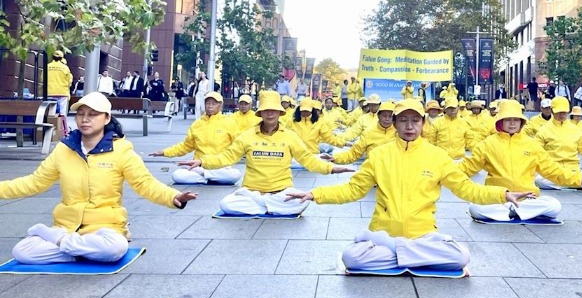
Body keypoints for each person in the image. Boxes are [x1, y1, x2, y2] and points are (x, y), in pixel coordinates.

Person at [284, 98, 534, 272]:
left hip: (422, 235)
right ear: (394, 123)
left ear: (424, 124)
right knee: (351, 258)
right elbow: (352, 189)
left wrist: (503, 194)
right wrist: (314, 194)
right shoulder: (380, 155)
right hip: (384, 233)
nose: (409, 126)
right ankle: (409, 255)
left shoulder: (437, 156)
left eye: (415, 120)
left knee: (461, 256)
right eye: (403, 120)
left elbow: (467, 189)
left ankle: (397, 253)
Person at [0, 92, 196, 264]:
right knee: (22, 252)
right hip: (67, 226)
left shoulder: (121, 151)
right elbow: (34, 182)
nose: (85, 119)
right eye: (80, 114)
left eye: (93, 115)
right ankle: (80, 250)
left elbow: (145, 184)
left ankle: (61, 243)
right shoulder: (64, 150)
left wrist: (173, 197)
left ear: (106, 118)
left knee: (115, 248)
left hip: (105, 228)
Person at [178, 90, 353, 216]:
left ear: (279, 112)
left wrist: (331, 168)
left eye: (273, 110)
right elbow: (227, 156)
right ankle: (268, 205)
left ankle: (264, 205)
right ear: (260, 113)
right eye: (266, 110)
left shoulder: (290, 137)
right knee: (226, 203)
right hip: (251, 192)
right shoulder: (247, 136)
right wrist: (203, 162)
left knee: (301, 203)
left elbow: (308, 160)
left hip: (281, 191)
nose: (270, 113)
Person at [460, 100, 582, 221]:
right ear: (500, 121)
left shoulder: (531, 145)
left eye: (516, 119)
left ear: (522, 121)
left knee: (554, 205)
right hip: (499, 198)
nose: (512, 123)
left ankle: (514, 211)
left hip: (527, 199)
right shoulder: (488, 144)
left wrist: (578, 178)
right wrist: (443, 173)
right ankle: (513, 210)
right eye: (508, 119)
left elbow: (551, 169)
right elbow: (467, 166)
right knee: (475, 207)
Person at [149, 91, 242, 185]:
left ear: (220, 105)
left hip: (220, 166)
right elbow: (186, 146)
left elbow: (238, 146)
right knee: (177, 175)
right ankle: (210, 177)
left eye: (214, 104)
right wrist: (164, 152)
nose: (210, 106)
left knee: (235, 175)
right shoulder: (197, 124)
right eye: (208, 103)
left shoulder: (229, 123)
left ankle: (205, 176)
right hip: (199, 166)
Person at [533, 97, 582, 190]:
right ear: (552, 111)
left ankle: (566, 183)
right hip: (553, 171)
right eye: (559, 112)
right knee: (539, 180)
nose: (562, 114)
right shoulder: (544, 130)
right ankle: (573, 183)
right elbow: (536, 151)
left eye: (564, 112)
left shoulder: (575, 130)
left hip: (573, 170)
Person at [324, 101, 397, 165]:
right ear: (379, 116)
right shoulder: (368, 133)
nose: (387, 119)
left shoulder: (398, 133)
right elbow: (354, 153)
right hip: (373, 170)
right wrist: (336, 158)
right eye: (384, 116)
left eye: (390, 116)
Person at [46, 51, 73, 136]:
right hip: (62, 92)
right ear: (61, 58)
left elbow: (42, 79)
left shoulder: (47, 66)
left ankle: (50, 131)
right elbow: (69, 81)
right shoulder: (65, 68)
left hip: (49, 92)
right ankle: (64, 131)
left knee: (51, 113)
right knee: (62, 113)